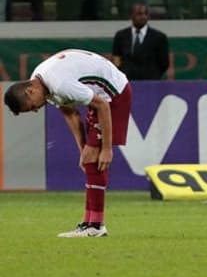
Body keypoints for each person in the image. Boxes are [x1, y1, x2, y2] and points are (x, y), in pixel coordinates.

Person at [3, 49, 133, 237]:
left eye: (31, 107)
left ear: (29, 90)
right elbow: (70, 113)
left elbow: (103, 105)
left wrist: (106, 149)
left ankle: (95, 226)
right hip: (100, 96)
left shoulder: (59, 83)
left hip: (115, 95)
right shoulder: (40, 81)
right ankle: (91, 223)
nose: (36, 110)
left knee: (95, 157)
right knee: (89, 157)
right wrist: (82, 149)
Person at [111, 3, 169, 80]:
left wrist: (154, 74)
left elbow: (164, 63)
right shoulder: (121, 36)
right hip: (127, 80)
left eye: (146, 14)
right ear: (131, 15)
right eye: (139, 14)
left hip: (150, 81)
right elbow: (116, 58)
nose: (143, 17)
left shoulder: (159, 37)